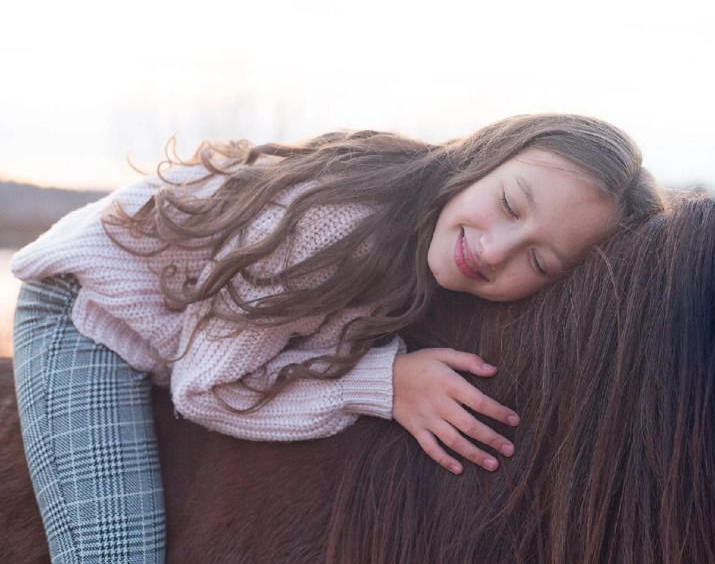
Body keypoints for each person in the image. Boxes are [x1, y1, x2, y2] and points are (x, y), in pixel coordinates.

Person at [10, 113, 664, 563]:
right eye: (511, 205)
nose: (495, 250)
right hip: (89, 314)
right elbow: (206, 392)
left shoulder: (430, 239)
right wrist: (382, 384)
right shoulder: (343, 229)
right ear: (486, 156)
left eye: (540, 263)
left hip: (177, 323)